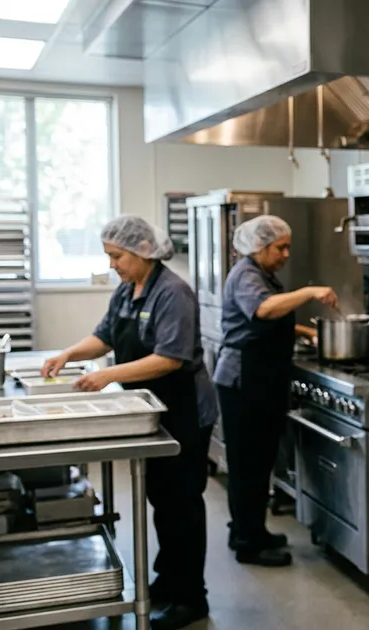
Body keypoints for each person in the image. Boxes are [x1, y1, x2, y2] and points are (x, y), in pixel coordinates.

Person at [43, 216, 218, 630]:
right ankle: (169, 581)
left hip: (184, 412)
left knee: (182, 505)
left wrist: (108, 375)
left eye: (116, 256)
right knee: (162, 501)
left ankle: (191, 598)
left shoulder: (173, 292)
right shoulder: (127, 289)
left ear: (143, 251)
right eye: (109, 256)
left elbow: (170, 358)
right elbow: (104, 336)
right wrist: (70, 354)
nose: (112, 264)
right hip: (151, 410)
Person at [212, 215, 337, 567]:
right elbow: (264, 310)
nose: (285, 254)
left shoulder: (260, 274)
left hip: (259, 380)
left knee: (258, 462)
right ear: (260, 246)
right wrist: (310, 292)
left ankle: (251, 530)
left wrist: (304, 332)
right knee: (247, 466)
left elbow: (270, 315)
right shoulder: (246, 274)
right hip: (243, 381)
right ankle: (248, 543)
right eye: (280, 248)